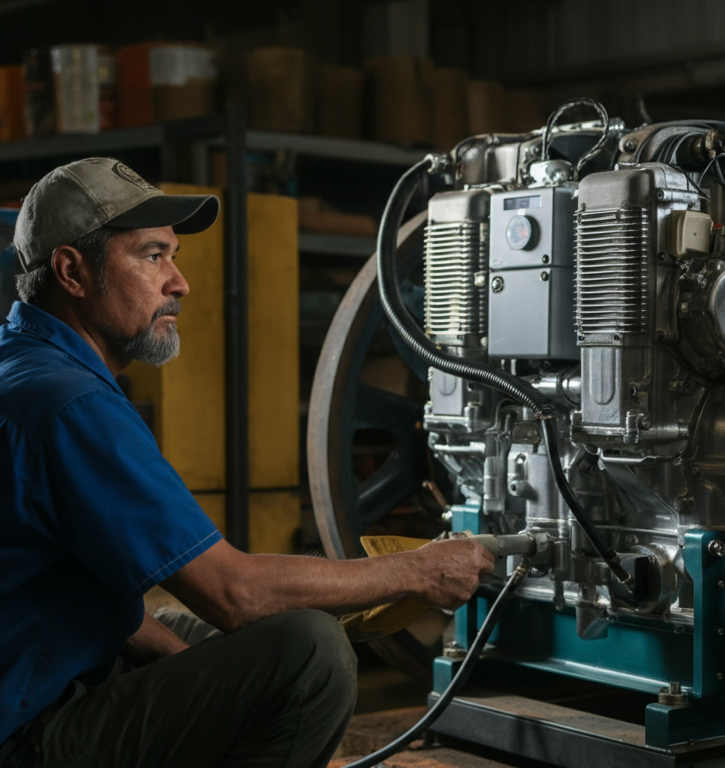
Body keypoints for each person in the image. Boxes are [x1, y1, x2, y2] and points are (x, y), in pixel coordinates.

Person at [0, 158, 496, 768]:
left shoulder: (24, 369)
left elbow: (102, 602)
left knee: (220, 640)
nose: (179, 282)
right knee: (308, 651)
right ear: (72, 272)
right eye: (152, 256)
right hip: (25, 732)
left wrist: (220, 691)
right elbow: (232, 591)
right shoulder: (70, 406)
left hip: (40, 666)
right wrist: (419, 572)